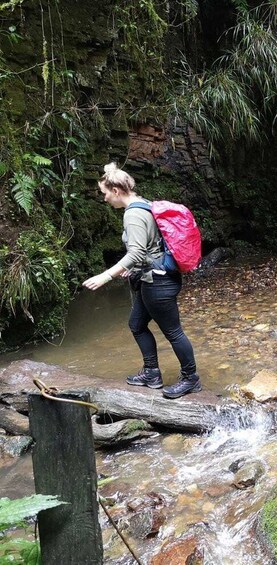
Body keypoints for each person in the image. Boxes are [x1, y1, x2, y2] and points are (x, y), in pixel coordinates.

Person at [82, 163, 202, 399]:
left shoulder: (133, 214)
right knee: (136, 325)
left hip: (159, 283)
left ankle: (191, 379)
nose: (104, 199)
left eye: (105, 193)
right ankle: (151, 373)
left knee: (173, 332)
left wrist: (106, 276)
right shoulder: (143, 204)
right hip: (152, 278)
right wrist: (133, 268)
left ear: (116, 191)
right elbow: (151, 246)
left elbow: (136, 252)